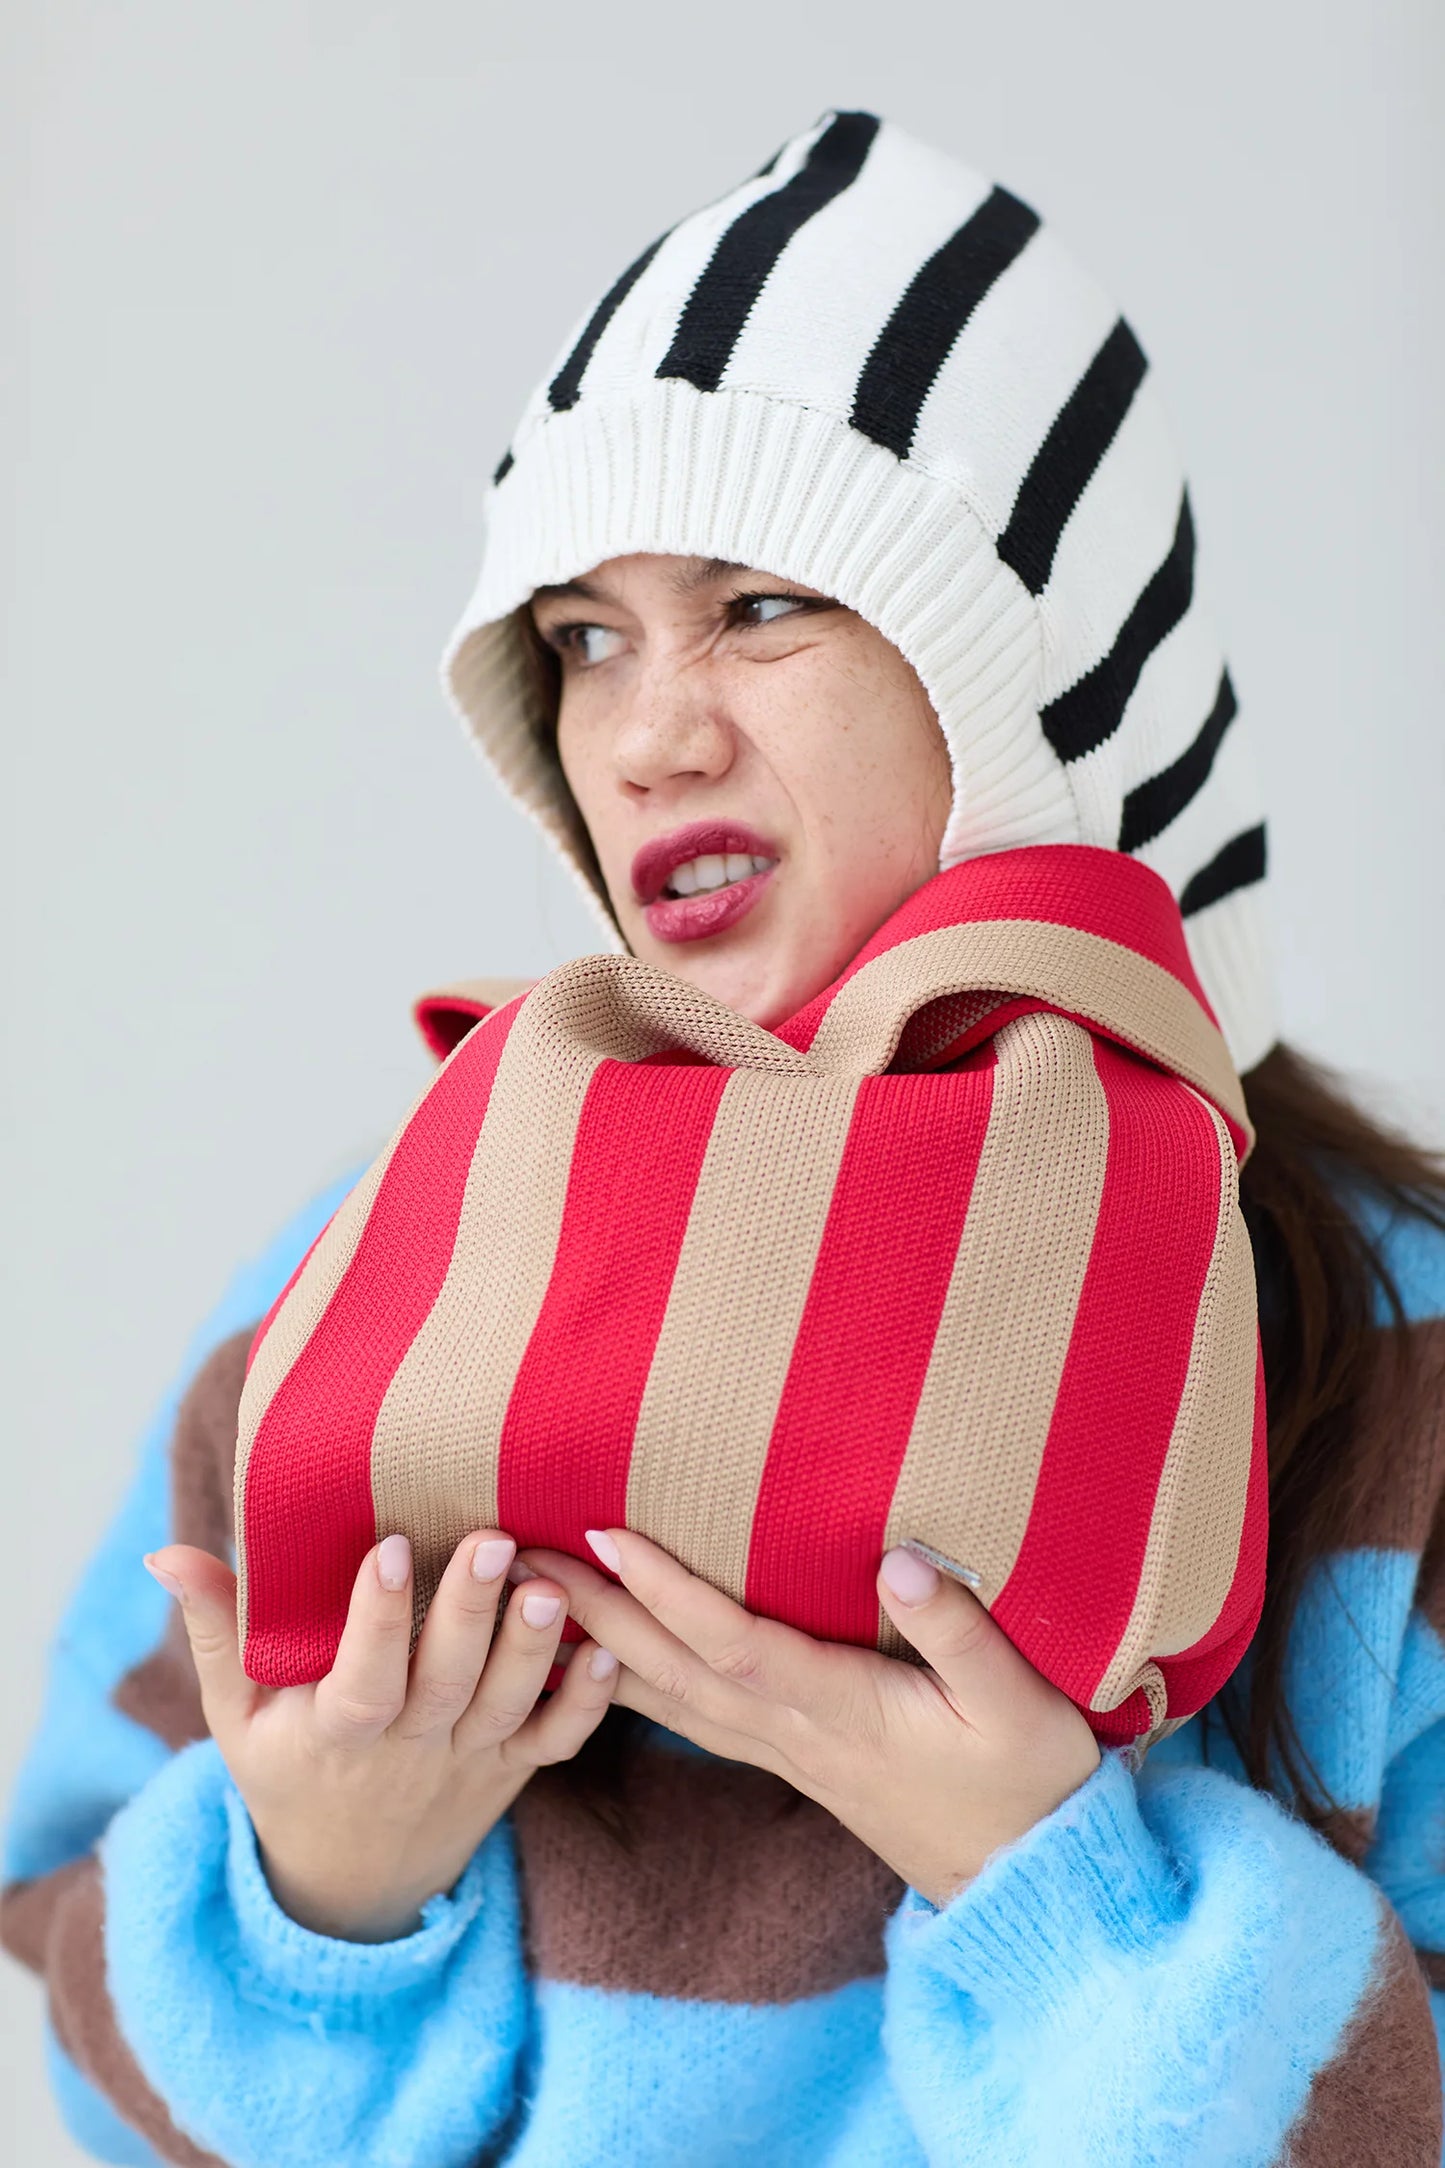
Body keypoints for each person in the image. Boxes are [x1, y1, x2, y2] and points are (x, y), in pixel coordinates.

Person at [4, 108, 1444, 2168]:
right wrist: (320, 1902)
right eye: (584, 637)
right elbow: (86, 2031)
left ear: (1047, 675)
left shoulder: (1391, 1361)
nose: (649, 727)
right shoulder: (395, 1270)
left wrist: (1048, 1890)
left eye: (765, 604)